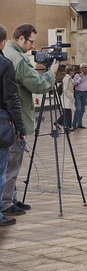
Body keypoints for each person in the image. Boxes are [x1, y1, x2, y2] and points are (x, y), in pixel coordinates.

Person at [3, 23, 58, 218]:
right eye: (31, 41)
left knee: (12, 162)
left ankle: (11, 198)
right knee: (12, 162)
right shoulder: (17, 58)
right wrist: (51, 73)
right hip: (16, 119)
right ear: (21, 39)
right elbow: (37, 83)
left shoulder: (10, 53)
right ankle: (6, 203)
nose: (33, 46)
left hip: (11, 118)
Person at [0, 25, 26, 227]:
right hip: (1, 123)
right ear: (2, 42)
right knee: (1, 170)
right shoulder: (5, 64)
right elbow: (11, 99)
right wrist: (21, 127)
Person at [72, 62, 87, 129]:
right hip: (78, 93)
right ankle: (74, 123)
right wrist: (80, 78)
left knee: (82, 109)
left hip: (85, 93)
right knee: (78, 108)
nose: (85, 69)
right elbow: (74, 83)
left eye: (86, 67)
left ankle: (79, 124)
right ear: (81, 68)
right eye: (84, 67)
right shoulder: (77, 75)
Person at [59, 65, 75, 131]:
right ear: (70, 71)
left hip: (69, 97)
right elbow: (65, 89)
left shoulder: (70, 78)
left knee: (68, 112)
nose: (74, 72)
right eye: (73, 71)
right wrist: (69, 96)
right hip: (66, 97)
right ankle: (67, 126)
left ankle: (65, 125)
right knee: (67, 112)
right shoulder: (67, 79)